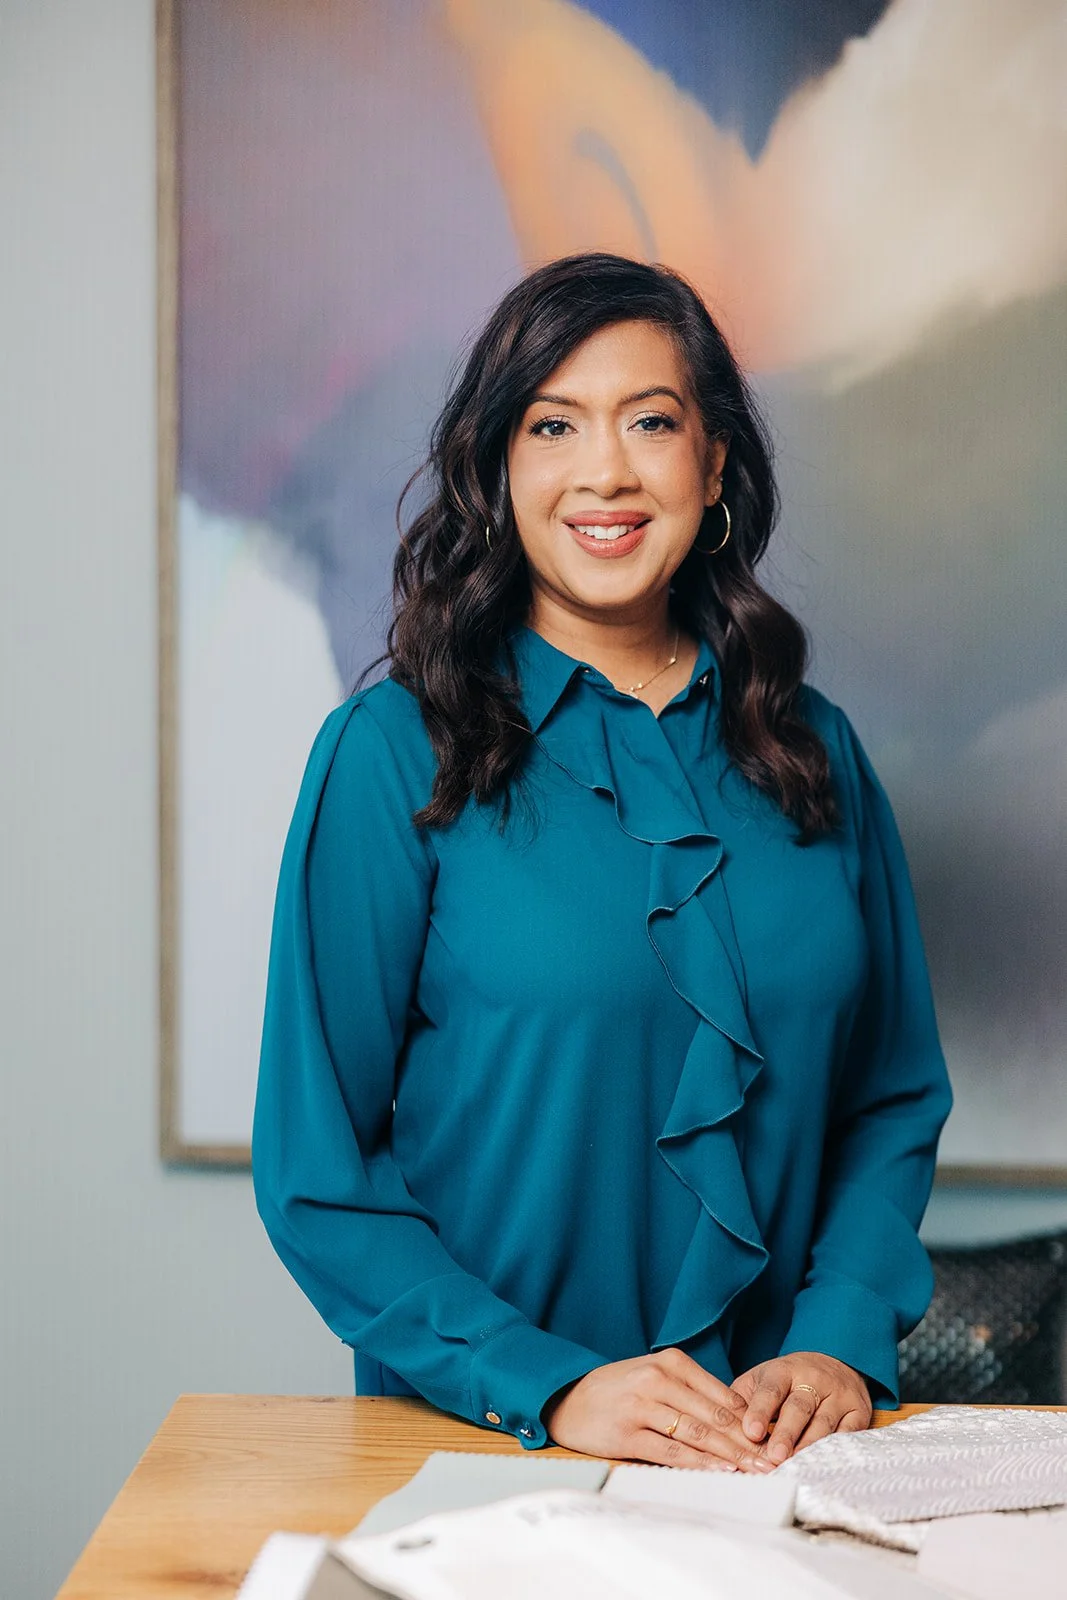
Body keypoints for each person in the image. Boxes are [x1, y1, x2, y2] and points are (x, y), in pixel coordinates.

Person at [252, 253, 952, 1471]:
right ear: (499, 466)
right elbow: (318, 1170)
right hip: (484, 1455)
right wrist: (550, 1384)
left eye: (650, 422)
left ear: (713, 463)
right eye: (552, 424)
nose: (606, 471)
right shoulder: (384, 756)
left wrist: (838, 1338)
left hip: (770, 1472)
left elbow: (889, 1098)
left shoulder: (812, 748)